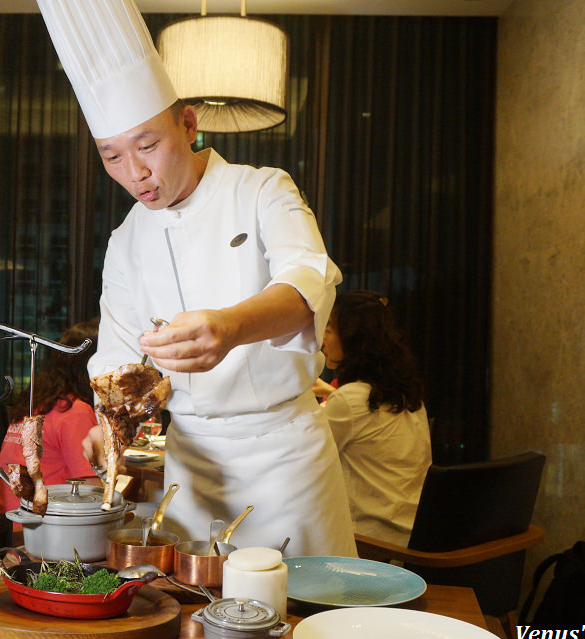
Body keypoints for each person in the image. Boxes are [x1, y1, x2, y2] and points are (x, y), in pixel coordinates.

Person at [37, 0, 356, 558]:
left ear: (188, 123)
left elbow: (308, 282)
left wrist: (230, 327)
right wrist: (109, 423)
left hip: (284, 459)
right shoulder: (126, 238)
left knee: (304, 616)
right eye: (111, 156)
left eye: (148, 145)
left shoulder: (262, 189)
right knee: (193, 614)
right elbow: (117, 354)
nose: (134, 173)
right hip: (190, 468)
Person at [321, 290, 432, 545]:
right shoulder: (410, 398)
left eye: (328, 329)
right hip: (410, 539)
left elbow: (304, 462)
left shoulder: (348, 401)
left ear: (353, 337)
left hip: (369, 547)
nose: (322, 340)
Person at [0, 319, 101, 515]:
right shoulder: (74, 412)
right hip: (38, 531)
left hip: (4, 527)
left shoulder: (36, 403)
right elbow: (92, 494)